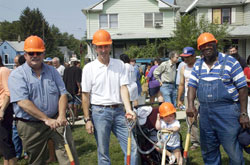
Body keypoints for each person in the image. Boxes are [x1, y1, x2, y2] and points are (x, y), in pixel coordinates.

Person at [8, 35, 78, 165]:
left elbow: (62, 94)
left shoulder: (52, 71)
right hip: (30, 125)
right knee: (37, 161)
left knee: (69, 158)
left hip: (57, 121)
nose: (35, 55)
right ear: (25, 54)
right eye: (31, 53)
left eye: (38, 52)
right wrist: (46, 119)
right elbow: (23, 102)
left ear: (43, 53)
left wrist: (62, 115)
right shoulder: (17, 75)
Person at [187, 32, 249, 164]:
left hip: (228, 112)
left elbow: (243, 88)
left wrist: (244, 113)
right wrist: (191, 105)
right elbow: (191, 86)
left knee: (233, 151)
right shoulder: (198, 65)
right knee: (209, 150)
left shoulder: (231, 62)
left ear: (215, 44)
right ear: (200, 49)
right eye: (203, 46)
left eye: (209, 44)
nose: (207, 48)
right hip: (205, 114)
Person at [81, 29, 138, 165]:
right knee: (103, 153)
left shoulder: (119, 65)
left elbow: (123, 87)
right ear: (95, 48)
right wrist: (87, 119)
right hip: (99, 112)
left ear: (110, 46)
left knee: (132, 148)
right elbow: (85, 95)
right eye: (100, 46)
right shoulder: (89, 68)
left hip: (119, 111)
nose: (103, 50)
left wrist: (128, 109)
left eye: (105, 46)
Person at [177, 47, 200, 150]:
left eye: (187, 57)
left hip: (201, 96)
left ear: (194, 56)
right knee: (190, 120)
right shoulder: (183, 68)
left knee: (203, 119)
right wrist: (179, 99)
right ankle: (195, 142)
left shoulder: (200, 66)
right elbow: (181, 84)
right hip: (188, 97)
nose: (185, 60)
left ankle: (207, 140)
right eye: (183, 58)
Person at [0, 56, 17, 165]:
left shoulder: (4, 70)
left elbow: (8, 92)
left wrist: (2, 110)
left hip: (3, 109)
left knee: (5, 141)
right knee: (2, 143)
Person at [11, 55, 28, 161]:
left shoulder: (23, 74)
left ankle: (25, 152)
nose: (15, 66)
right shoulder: (14, 74)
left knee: (24, 135)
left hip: (24, 111)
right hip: (17, 111)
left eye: (16, 64)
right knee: (16, 134)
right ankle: (18, 153)